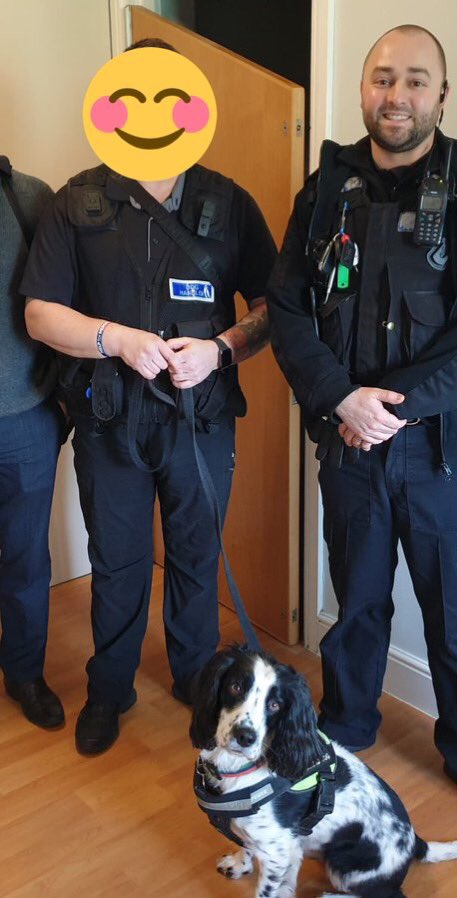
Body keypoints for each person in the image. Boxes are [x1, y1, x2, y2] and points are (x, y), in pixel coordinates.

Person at [267, 25, 457, 825]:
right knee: (355, 610)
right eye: (384, 78)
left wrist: (392, 407)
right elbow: (286, 309)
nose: (397, 95)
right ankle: (343, 734)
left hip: (445, 455)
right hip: (349, 448)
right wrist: (341, 400)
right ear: (362, 89)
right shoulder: (324, 192)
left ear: (441, 96)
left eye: (416, 81)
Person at [21, 39, 276, 756]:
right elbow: (41, 313)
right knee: (120, 560)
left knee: (196, 557)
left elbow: (270, 308)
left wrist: (223, 348)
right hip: (109, 423)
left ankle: (197, 681)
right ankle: (110, 688)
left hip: (201, 423)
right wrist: (117, 339)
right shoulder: (77, 202)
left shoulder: (229, 204)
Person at [0, 155, 65, 729]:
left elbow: (67, 298)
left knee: (24, 558)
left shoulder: (30, 196)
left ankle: (23, 671)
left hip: (23, 418)